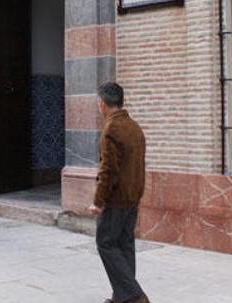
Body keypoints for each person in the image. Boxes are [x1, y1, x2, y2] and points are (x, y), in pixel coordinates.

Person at [89, 82, 150, 303]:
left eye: (98, 102)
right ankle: (121, 297)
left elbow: (108, 170)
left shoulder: (111, 130)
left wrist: (98, 201)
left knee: (105, 243)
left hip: (116, 200)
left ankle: (134, 296)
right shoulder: (134, 127)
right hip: (133, 198)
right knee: (125, 245)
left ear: (102, 103)